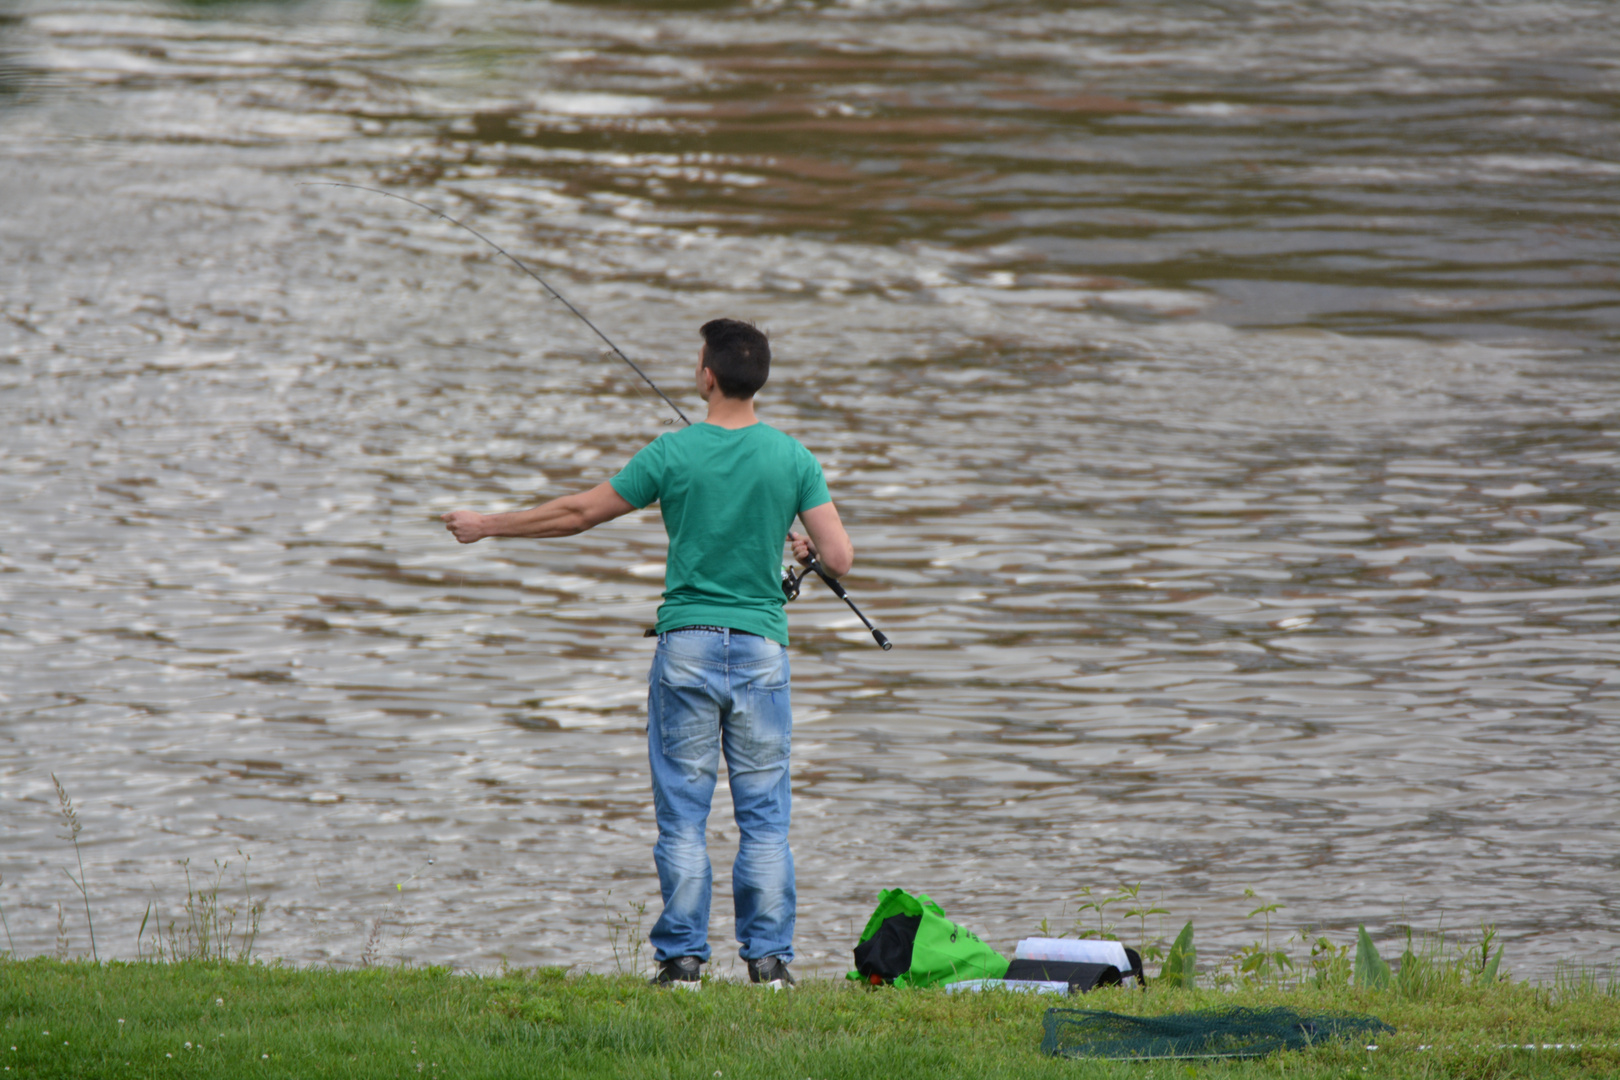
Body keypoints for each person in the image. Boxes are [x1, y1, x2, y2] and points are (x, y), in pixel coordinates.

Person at [441, 318, 852, 990]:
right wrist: (805, 546)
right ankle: (771, 965)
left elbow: (579, 513)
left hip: (686, 646)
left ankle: (684, 964)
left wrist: (488, 525)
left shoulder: (672, 453)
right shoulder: (794, 458)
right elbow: (838, 558)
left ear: (706, 376)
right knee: (765, 817)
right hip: (760, 652)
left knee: (684, 813)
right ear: (760, 380)